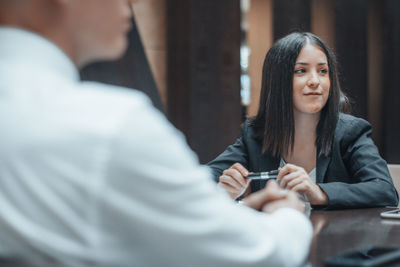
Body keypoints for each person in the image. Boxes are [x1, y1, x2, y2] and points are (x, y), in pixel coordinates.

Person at [0, 1, 312, 266]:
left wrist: (226, 215)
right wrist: (288, 215)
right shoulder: (111, 126)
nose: (131, 4)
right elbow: (257, 257)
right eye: (301, 71)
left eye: (322, 71)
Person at [208, 32, 399, 209]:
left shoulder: (350, 132)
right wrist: (223, 189)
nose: (315, 80)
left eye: (323, 71)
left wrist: (319, 192)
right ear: (278, 81)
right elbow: (202, 179)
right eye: (301, 71)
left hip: (337, 241)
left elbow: (385, 190)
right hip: (278, 242)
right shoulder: (255, 135)